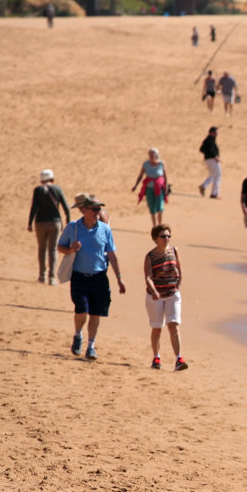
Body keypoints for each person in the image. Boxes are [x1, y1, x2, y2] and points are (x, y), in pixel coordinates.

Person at [56, 194, 126, 360]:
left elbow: (112, 255)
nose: (97, 212)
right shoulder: (73, 227)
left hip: (99, 278)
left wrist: (119, 278)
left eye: (99, 209)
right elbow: (60, 247)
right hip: (79, 277)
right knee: (81, 310)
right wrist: (71, 250)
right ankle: (78, 335)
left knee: (95, 313)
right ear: (84, 210)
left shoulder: (105, 229)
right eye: (94, 209)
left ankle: (91, 346)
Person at [144, 224, 187, 371]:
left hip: (172, 294)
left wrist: (177, 286)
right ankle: (156, 357)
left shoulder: (174, 251)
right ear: (156, 239)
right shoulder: (150, 256)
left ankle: (178, 359)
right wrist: (154, 291)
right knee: (157, 327)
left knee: (173, 325)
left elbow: (180, 271)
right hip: (155, 296)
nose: (166, 239)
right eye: (163, 236)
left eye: (168, 236)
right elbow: (148, 277)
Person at [27, 168, 71, 285]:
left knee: (42, 249)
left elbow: (34, 207)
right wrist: (68, 220)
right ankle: (52, 277)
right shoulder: (57, 189)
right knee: (53, 249)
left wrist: (30, 223)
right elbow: (65, 206)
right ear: (52, 178)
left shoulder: (38, 190)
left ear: (42, 180)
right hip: (55, 223)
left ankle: (42, 275)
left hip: (40, 222)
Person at [132, 148, 170, 227]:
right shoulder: (146, 164)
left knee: (160, 207)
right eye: (150, 154)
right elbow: (140, 176)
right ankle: (154, 226)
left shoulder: (161, 164)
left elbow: (165, 178)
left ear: (156, 155)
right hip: (149, 188)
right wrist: (135, 185)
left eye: (152, 154)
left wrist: (166, 188)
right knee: (151, 207)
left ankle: (160, 225)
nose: (151, 156)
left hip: (159, 188)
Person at [198, 126, 221, 198]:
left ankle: (204, 185)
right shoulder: (209, 140)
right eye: (215, 133)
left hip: (208, 160)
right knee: (217, 176)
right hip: (212, 160)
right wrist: (214, 156)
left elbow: (202, 149)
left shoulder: (209, 140)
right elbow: (205, 149)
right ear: (211, 133)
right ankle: (214, 194)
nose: (217, 134)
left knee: (213, 175)